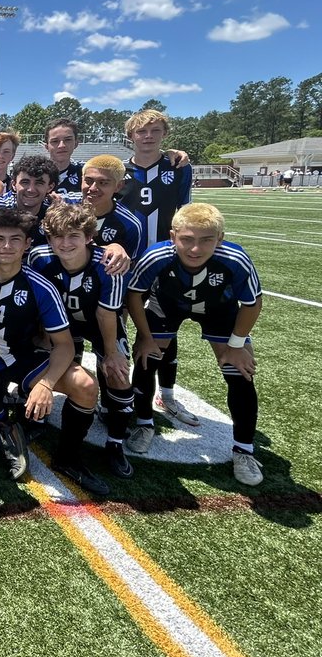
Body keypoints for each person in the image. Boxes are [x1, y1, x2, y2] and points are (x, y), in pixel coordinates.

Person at [126, 204, 263, 485]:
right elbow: (135, 296)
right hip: (168, 305)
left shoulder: (234, 259)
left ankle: (244, 449)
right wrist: (145, 336)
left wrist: (236, 345)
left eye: (206, 240)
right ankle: (143, 423)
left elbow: (252, 303)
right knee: (146, 358)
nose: (195, 249)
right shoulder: (157, 256)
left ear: (220, 239)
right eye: (187, 239)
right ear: (173, 235)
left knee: (239, 373)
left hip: (220, 310)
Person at [0, 209, 86, 488]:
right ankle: (8, 432)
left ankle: (69, 457)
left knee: (83, 384)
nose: (7, 246)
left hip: (18, 357)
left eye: (15, 239)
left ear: (27, 245)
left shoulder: (41, 286)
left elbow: (64, 345)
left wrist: (46, 384)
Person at [28, 202, 134, 485]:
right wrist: (41, 336)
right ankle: (39, 417)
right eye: (58, 237)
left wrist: (111, 353)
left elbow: (106, 313)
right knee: (62, 367)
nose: (65, 243)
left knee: (118, 374)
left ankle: (115, 443)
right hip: (61, 325)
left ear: (89, 237)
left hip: (101, 325)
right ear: (48, 239)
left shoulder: (107, 263)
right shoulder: (39, 258)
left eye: (73, 235)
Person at [117, 109, 196, 427]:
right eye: (141, 131)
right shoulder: (121, 172)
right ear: (131, 136)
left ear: (164, 133)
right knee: (119, 328)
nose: (147, 137)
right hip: (127, 263)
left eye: (154, 130)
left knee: (166, 328)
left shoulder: (177, 167)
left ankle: (166, 394)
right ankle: (118, 393)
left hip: (165, 262)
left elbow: (186, 212)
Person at [44, 118, 84, 195]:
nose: (61, 145)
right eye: (55, 141)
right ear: (47, 146)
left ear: (76, 143)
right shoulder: (35, 174)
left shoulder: (86, 172)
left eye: (68, 140)